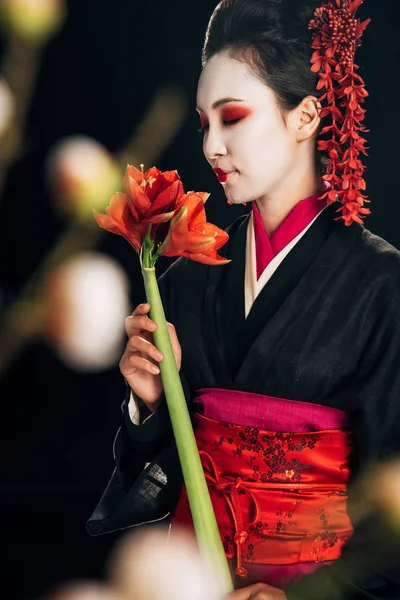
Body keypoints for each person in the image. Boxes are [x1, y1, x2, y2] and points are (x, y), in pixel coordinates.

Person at [87, 1, 400, 598]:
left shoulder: (382, 285)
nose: (211, 147)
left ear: (306, 116)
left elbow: (394, 492)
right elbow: (165, 474)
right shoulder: (186, 277)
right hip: (191, 579)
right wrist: (151, 404)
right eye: (204, 124)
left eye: (232, 118)